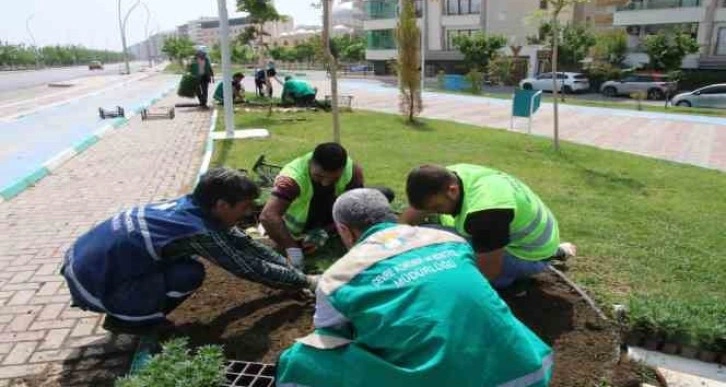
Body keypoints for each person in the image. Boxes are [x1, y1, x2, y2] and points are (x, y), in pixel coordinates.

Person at [276, 189, 553, 387]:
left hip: (450, 379)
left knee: (302, 357)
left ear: (345, 231)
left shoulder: (339, 278)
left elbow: (331, 337)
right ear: (390, 214)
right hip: (528, 368)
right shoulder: (448, 240)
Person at [60, 167, 317, 335]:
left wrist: (290, 270)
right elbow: (249, 267)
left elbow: (246, 244)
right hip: (91, 285)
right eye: (244, 207)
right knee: (189, 273)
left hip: (82, 263)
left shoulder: (192, 206)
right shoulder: (197, 229)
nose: (248, 213)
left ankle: (131, 308)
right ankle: (131, 320)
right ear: (221, 205)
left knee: (182, 263)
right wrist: (306, 280)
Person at [401, 164, 576, 289]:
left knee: (441, 252)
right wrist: (396, 238)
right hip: (533, 240)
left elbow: (487, 272)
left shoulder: (486, 212)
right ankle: (556, 252)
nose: (434, 213)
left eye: (437, 208)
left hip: (526, 255)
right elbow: (407, 221)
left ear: (452, 191)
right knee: (425, 237)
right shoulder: (449, 177)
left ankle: (512, 278)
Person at [260, 143, 373, 269]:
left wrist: (327, 231)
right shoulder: (291, 180)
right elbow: (268, 216)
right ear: (311, 162)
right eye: (319, 176)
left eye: (334, 178)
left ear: (343, 168)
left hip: (328, 216)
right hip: (297, 229)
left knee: (376, 197)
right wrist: (291, 248)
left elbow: (354, 210)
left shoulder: (352, 171)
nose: (325, 183)